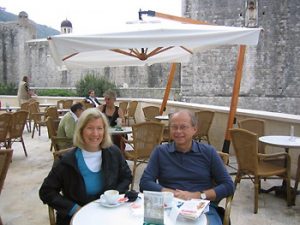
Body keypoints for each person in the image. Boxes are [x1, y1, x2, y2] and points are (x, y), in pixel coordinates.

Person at [139, 110, 235, 225]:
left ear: (194, 129)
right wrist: (171, 194)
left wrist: (198, 195)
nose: (178, 131)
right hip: (168, 208)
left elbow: (228, 186)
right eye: (174, 127)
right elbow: (145, 183)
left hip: (202, 209)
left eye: (183, 127)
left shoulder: (208, 152)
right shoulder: (160, 152)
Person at [39, 108, 132, 225]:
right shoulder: (67, 161)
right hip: (78, 218)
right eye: (90, 128)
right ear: (81, 130)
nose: (95, 133)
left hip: (109, 214)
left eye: (99, 128)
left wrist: (113, 197)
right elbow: (46, 191)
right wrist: (74, 209)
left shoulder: (114, 153)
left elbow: (126, 176)